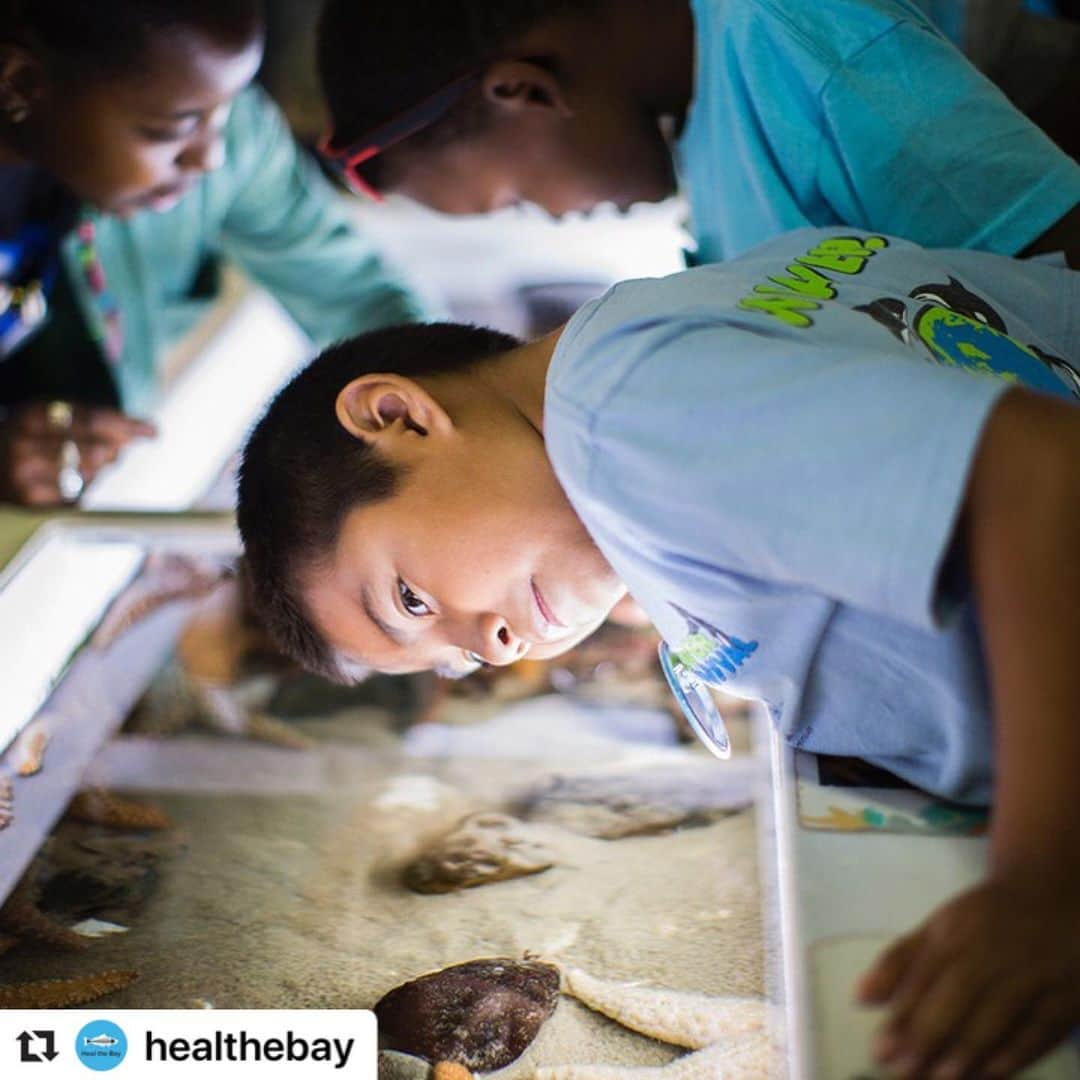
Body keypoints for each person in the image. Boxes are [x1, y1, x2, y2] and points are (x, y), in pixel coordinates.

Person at [237, 227, 1080, 1077]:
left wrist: (1043, 878)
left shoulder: (621, 414)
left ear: (398, 415)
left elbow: (1041, 467)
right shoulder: (668, 338)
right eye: (454, 661)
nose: (487, 645)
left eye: (410, 599)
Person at [0, 0, 423, 506]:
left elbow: (358, 294)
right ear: (21, 82)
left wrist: (467, 398)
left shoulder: (203, 106)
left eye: (227, 106)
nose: (210, 155)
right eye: (169, 130)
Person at [315, 0, 1080, 267]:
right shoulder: (705, 120)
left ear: (524, 91)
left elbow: (1055, 264)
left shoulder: (784, 33)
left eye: (515, 199)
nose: (549, 218)